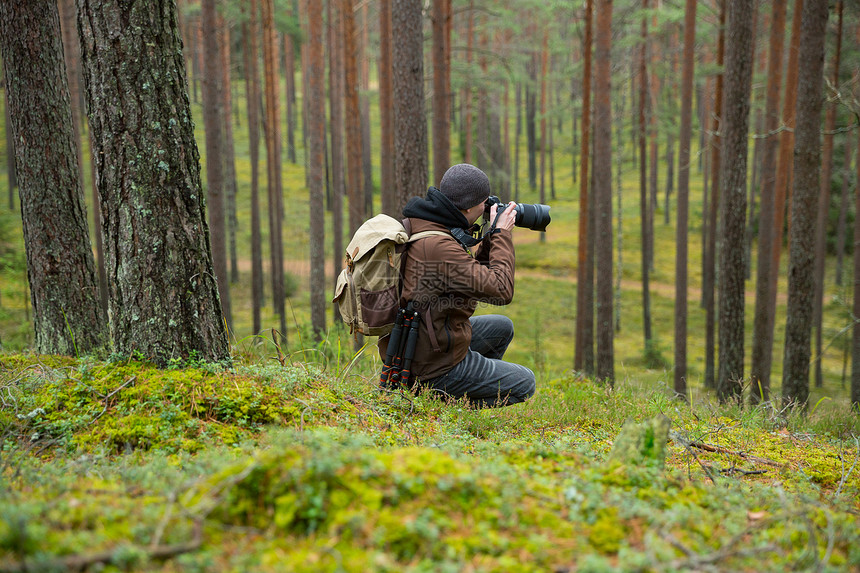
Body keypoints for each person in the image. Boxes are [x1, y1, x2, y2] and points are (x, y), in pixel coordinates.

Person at [378, 163, 536, 408]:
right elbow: (501, 290)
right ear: (471, 206)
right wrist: (502, 234)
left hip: (425, 340)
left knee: (501, 327)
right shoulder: (438, 246)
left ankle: (467, 383)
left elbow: (474, 278)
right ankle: (442, 402)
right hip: (432, 364)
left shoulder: (427, 222)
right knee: (526, 382)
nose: (486, 208)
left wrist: (491, 234)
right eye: (484, 203)